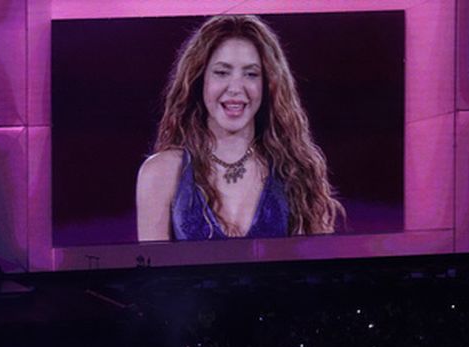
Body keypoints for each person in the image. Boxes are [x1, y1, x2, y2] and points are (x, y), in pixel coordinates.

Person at [137, 14, 344, 242]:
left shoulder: (298, 171)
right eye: (222, 72)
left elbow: (319, 272)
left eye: (251, 74)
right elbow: (153, 275)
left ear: (268, 85)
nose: (236, 88)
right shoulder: (161, 173)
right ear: (199, 80)